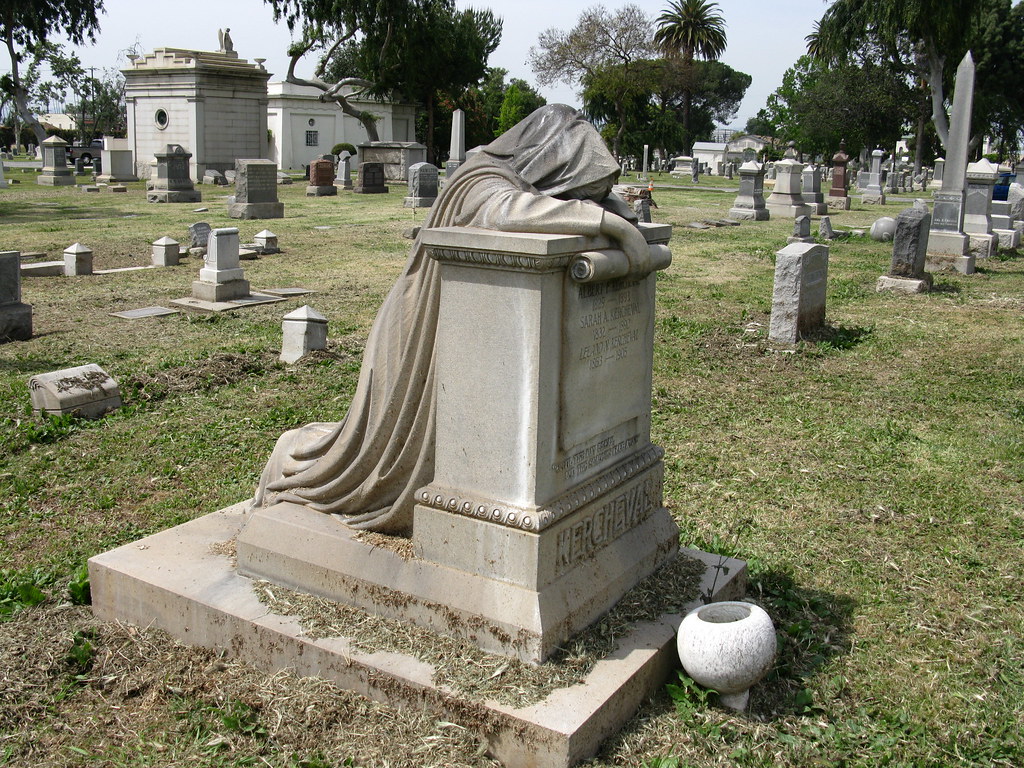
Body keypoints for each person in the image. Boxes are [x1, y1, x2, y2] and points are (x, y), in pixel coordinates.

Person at [250, 104, 651, 534]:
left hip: (457, 325)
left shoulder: (531, 180)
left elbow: (584, 202)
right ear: (553, 163)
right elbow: (505, 211)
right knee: (378, 463)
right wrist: (610, 224)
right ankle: (288, 454)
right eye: (584, 186)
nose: (588, 198)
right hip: (415, 333)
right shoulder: (479, 179)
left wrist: (607, 206)